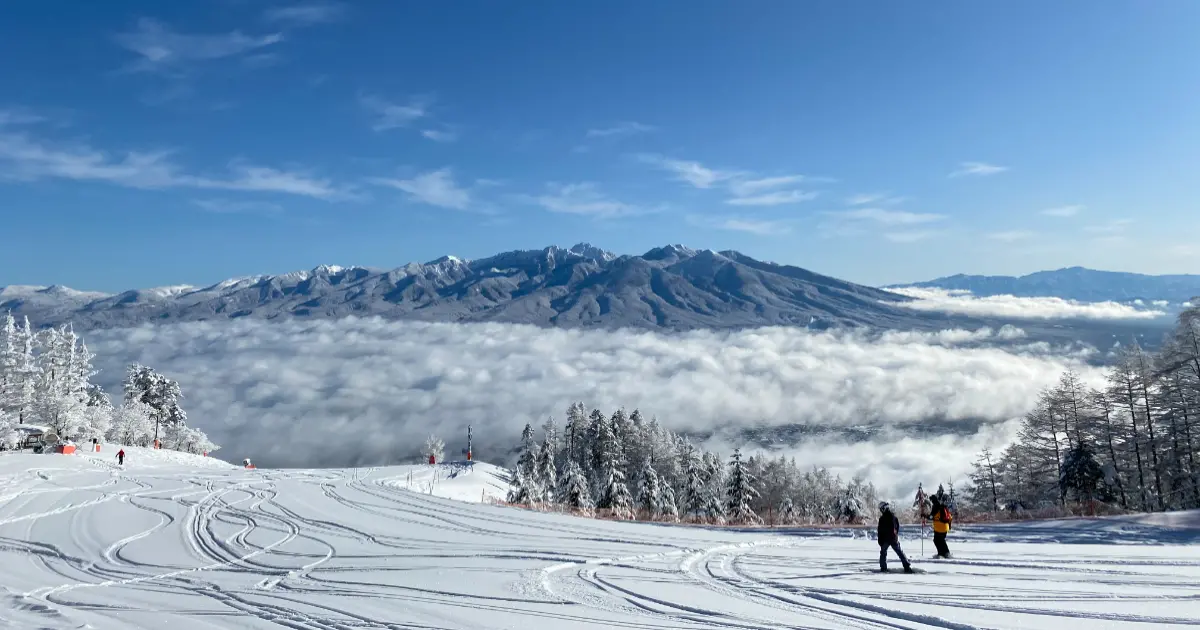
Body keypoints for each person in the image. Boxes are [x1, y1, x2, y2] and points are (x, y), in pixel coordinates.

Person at [876, 501, 913, 573]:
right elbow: (897, 527)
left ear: (884, 508)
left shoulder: (882, 519)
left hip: (886, 540)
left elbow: (880, 530)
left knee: (883, 553)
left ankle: (883, 568)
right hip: (893, 539)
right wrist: (895, 535)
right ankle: (906, 566)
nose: (881, 511)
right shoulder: (893, 517)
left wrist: (880, 540)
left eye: (881, 509)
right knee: (899, 552)